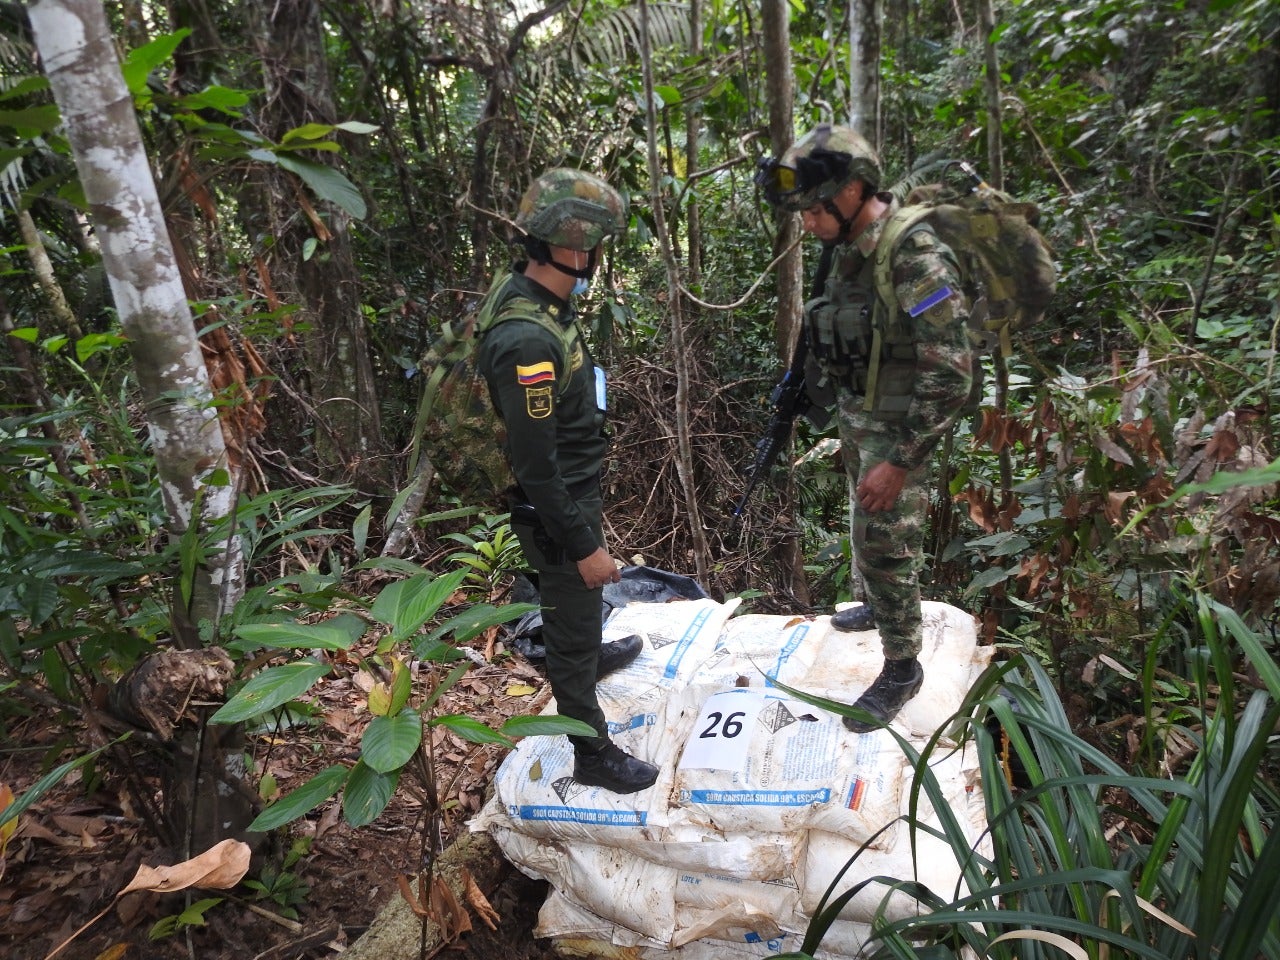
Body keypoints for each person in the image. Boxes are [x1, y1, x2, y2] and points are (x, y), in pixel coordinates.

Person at [755, 123, 974, 732]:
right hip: (863, 416)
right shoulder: (849, 247)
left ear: (852, 192)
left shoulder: (915, 256)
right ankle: (881, 610)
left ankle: (903, 667)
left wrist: (899, 460)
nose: (805, 222)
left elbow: (953, 373)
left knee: (884, 545)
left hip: (902, 427)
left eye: (812, 209)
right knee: (863, 527)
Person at [476, 168, 659, 794]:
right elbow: (535, 468)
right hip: (557, 504)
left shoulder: (538, 298)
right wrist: (584, 547)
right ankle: (591, 749)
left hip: (570, 489)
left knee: (570, 613)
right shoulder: (528, 338)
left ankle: (577, 651)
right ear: (578, 248)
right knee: (575, 596)